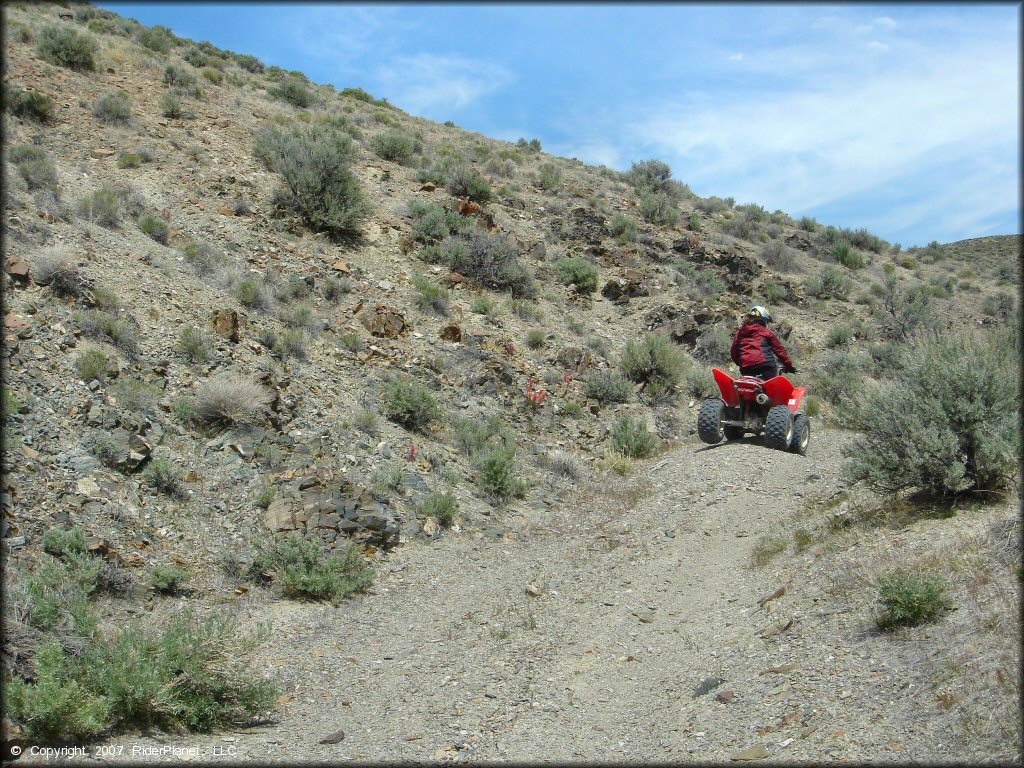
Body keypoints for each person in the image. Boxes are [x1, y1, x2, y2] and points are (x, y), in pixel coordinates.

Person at [730, 305, 796, 380]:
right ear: (763, 320)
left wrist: (742, 363)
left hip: (746, 368)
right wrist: (789, 366)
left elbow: (733, 352)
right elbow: (779, 350)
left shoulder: (740, 333)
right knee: (772, 387)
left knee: (747, 387)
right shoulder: (766, 332)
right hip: (766, 366)